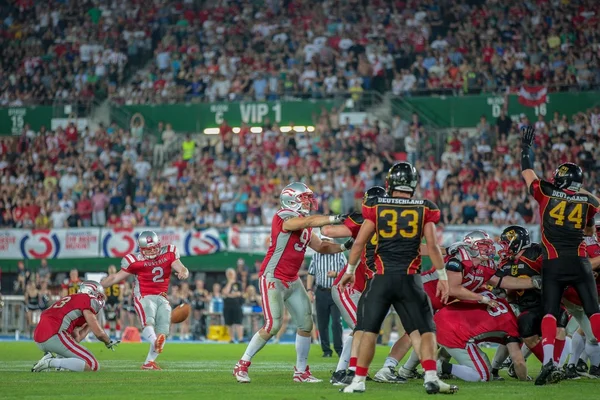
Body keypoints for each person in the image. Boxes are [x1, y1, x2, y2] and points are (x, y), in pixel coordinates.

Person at [340, 162, 455, 394]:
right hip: (410, 279)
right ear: (413, 183)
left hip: (381, 278)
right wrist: (443, 277)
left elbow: (360, 242)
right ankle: (431, 376)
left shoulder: (377, 205)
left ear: (390, 183)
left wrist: (350, 271)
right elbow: (432, 246)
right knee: (426, 330)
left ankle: (358, 381)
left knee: (369, 330)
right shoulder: (425, 207)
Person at [233, 182, 353, 383]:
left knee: (306, 324)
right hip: (273, 277)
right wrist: (335, 218)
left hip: (292, 279)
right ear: (291, 199)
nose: (308, 202)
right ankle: (242, 364)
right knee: (273, 325)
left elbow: (322, 246)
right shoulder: (284, 216)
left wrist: (346, 245)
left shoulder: (304, 225)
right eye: (304, 198)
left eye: (308, 198)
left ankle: (301, 371)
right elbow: (304, 223)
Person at [520, 125, 600, 385]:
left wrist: (525, 151)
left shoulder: (545, 192)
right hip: (579, 261)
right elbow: (590, 221)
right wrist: (579, 190)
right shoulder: (587, 201)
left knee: (550, 314)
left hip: (553, 261)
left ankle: (548, 364)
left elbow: (528, 173)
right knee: (594, 311)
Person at [323, 186, 398, 384]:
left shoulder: (372, 226)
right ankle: (343, 373)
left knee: (363, 328)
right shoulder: (375, 224)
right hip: (347, 288)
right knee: (362, 328)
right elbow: (328, 230)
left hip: (359, 287)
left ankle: (349, 371)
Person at [102, 230, 189, 370]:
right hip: (143, 295)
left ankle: (149, 362)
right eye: (148, 249)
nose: (152, 251)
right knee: (148, 319)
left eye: (154, 247)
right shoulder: (134, 260)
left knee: (164, 328)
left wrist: (183, 272)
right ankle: (155, 342)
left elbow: (181, 267)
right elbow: (115, 278)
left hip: (162, 296)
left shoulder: (169, 253)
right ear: (141, 248)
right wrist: (99, 287)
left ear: (159, 244)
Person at [493, 225, 569, 379]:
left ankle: (554, 364)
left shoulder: (536, 253)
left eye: (507, 243)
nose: (504, 247)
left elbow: (557, 271)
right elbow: (498, 285)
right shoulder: (505, 263)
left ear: (517, 242)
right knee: (525, 327)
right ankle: (551, 367)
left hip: (548, 301)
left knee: (559, 322)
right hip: (526, 305)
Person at [434, 291, 528, 382]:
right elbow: (518, 361)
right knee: (483, 375)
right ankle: (439, 366)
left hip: (442, 316)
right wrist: (524, 379)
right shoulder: (512, 325)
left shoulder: (499, 300)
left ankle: (438, 365)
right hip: (454, 331)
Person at [32, 281, 119, 372]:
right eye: (99, 296)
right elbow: (99, 333)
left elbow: (76, 337)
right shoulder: (87, 299)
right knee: (93, 365)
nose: (100, 299)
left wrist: (90, 324)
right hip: (55, 333)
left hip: (40, 336)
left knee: (77, 353)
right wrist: (108, 341)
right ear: (90, 292)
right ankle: (51, 362)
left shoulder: (71, 299)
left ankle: (57, 361)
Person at [307, 236, 347, 358]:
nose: (325, 242)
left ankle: (339, 349)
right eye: (323, 240)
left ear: (332, 242)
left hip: (335, 291)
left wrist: (336, 274)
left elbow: (347, 273)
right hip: (321, 291)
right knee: (322, 323)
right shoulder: (316, 256)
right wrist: (309, 290)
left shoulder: (340, 255)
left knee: (336, 322)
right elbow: (311, 273)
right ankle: (326, 350)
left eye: (327, 240)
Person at [223, 268, 245, 343]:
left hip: (237, 305)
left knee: (238, 322)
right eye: (229, 274)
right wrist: (230, 283)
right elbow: (224, 292)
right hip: (227, 306)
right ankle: (231, 338)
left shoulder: (238, 283)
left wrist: (229, 295)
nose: (230, 275)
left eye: (231, 274)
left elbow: (239, 294)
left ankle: (240, 338)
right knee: (229, 323)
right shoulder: (224, 283)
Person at [103, 265, 123, 340]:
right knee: (107, 318)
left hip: (116, 301)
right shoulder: (105, 279)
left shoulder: (119, 279)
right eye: (110, 269)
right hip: (107, 301)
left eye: (112, 269)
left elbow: (121, 292)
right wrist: (104, 297)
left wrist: (120, 301)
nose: (111, 270)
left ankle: (117, 335)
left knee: (117, 319)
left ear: (115, 270)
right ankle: (107, 335)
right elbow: (103, 289)